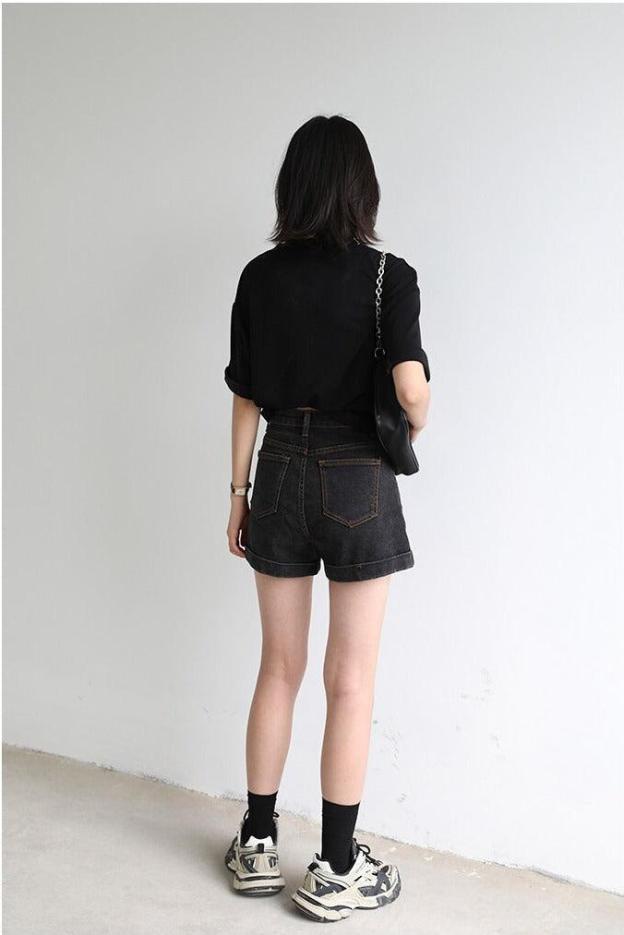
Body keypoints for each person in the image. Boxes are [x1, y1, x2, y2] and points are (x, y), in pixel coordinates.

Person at [222, 114, 430, 922]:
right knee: (350, 679)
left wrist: (237, 494)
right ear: (361, 188)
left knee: (278, 666)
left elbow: (246, 395)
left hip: (277, 469)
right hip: (357, 479)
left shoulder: (258, 277)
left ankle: (257, 842)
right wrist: (416, 423)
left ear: (293, 187)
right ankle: (338, 866)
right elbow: (409, 387)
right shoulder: (388, 277)